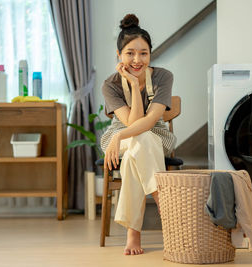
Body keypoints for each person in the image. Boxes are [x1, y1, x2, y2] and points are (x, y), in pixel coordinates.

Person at [100, 14, 176, 256]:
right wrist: (133, 85)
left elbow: (151, 121)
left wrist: (119, 138)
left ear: (150, 53)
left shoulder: (163, 76)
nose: (137, 59)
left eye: (143, 53)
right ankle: (164, 202)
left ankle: (133, 233)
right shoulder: (110, 84)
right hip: (120, 136)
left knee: (136, 149)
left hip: (153, 137)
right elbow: (132, 122)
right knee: (136, 143)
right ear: (119, 55)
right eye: (130, 53)